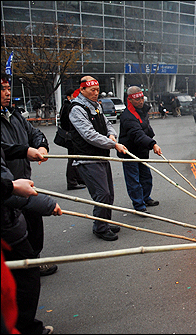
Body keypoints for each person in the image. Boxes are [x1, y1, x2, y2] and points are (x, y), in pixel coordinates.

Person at [0, 73, 58, 277]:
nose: (7, 93)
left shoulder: (14, 114)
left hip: (23, 181)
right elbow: (6, 148)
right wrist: (25, 150)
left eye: (8, 88)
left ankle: (34, 259)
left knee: (33, 224)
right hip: (9, 186)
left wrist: (41, 146)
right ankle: (25, 268)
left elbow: (34, 133)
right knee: (16, 232)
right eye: (2, 89)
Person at [1, 144, 61, 335]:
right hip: (6, 223)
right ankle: (24, 327)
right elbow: (9, 189)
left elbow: (5, 148)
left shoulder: (13, 116)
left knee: (23, 276)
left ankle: (23, 325)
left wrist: (25, 150)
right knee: (25, 278)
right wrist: (11, 187)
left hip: (10, 218)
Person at [68, 76, 128, 241]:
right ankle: (100, 228)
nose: (96, 93)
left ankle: (105, 222)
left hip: (101, 156)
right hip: (87, 158)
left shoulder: (96, 106)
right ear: (82, 90)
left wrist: (111, 135)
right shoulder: (77, 109)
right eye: (92, 90)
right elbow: (88, 134)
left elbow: (107, 123)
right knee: (102, 193)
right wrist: (113, 144)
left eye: (97, 89)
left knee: (109, 194)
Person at [118, 86, 162, 213]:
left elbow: (146, 127)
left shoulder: (142, 110)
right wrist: (152, 144)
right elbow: (137, 134)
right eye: (137, 99)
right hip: (130, 151)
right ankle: (138, 205)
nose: (141, 101)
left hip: (142, 150)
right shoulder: (128, 116)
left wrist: (151, 138)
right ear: (130, 100)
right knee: (133, 180)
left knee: (146, 176)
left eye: (142, 98)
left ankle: (145, 198)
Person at [59, 88, 86, 190]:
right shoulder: (69, 107)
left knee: (77, 158)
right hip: (71, 137)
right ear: (69, 97)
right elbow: (66, 122)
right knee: (73, 159)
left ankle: (78, 179)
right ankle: (72, 181)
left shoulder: (68, 106)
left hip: (72, 136)